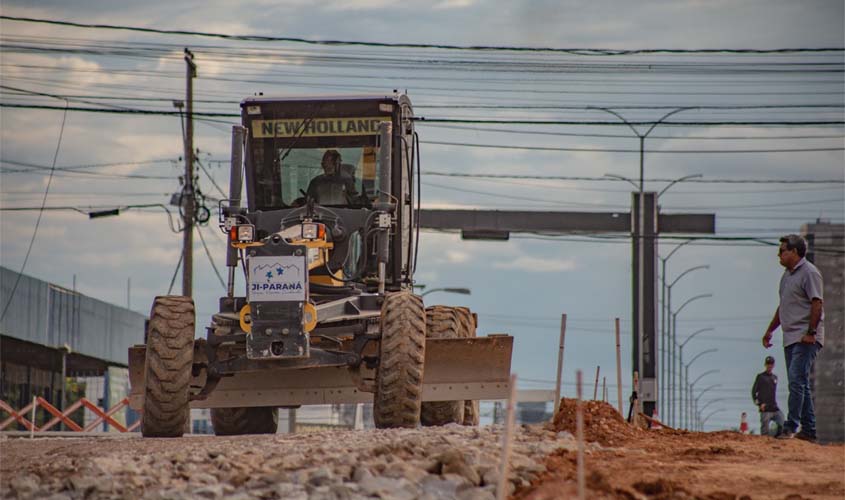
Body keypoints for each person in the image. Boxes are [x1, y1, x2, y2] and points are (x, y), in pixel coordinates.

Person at [762, 234, 824, 442]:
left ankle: (790, 426)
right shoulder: (786, 277)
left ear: (794, 252)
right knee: (800, 382)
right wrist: (770, 330)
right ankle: (809, 430)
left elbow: (817, 303)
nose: (778, 254)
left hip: (805, 338)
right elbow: (783, 307)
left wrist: (811, 333)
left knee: (797, 380)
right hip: (790, 337)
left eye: (782, 251)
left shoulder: (810, 273)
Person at [752, 356, 784, 437]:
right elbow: (754, 392)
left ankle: (777, 438)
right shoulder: (760, 377)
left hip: (774, 406)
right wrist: (759, 404)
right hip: (765, 408)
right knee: (765, 431)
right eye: (768, 364)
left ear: (773, 365)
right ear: (765, 365)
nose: (769, 366)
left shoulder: (775, 377)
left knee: (781, 421)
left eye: (771, 364)